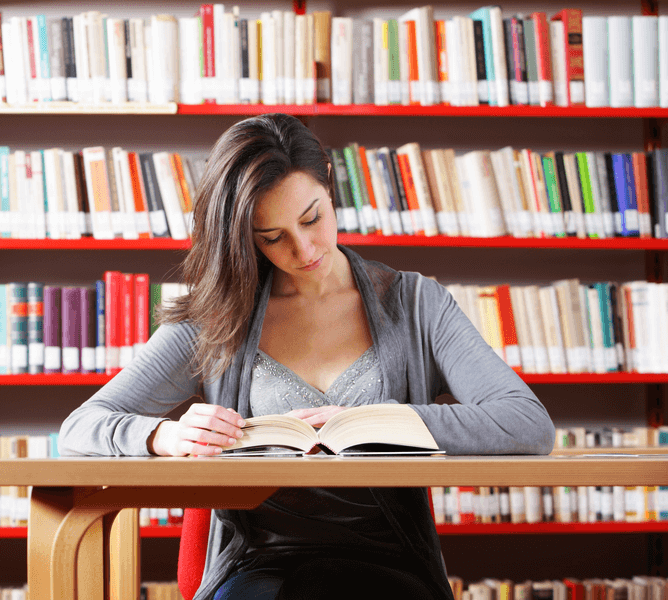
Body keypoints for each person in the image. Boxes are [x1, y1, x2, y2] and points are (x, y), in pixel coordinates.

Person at [58, 114, 556, 600]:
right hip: (259, 565)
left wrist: (388, 422)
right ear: (244, 238)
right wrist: (162, 435)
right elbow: (79, 428)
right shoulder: (215, 319)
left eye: (312, 217)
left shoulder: (416, 304)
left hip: (389, 565)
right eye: (272, 237)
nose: (304, 249)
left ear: (330, 186)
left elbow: (526, 423)